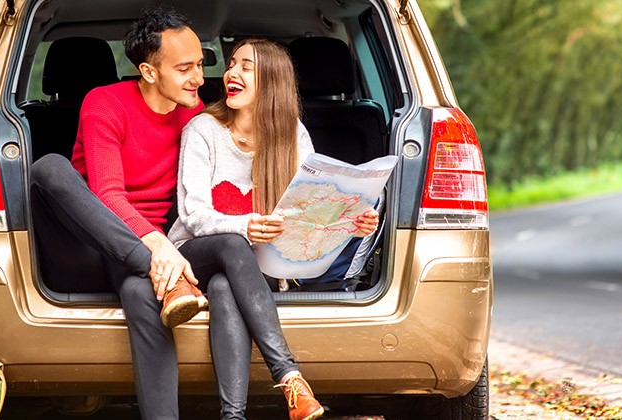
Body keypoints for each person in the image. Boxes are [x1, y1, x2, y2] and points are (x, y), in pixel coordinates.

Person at [167, 39, 380, 420]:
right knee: (232, 245)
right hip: (193, 257)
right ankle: (289, 374)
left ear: (273, 82)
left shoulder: (292, 134)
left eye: (245, 67)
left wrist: (354, 224)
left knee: (224, 286)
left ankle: (233, 415)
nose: (231, 73)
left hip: (254, 269)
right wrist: (247, 226)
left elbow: (309, 213)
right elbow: (194, 215)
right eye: (232, 65)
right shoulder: (203, 129)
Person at [27, 7, 212, 419]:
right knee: (49, 167)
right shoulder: (104, 102)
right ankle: (158, 271)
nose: (199, 78)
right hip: (88, 245)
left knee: (138, 291)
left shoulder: (197, 116)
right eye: (185, 68)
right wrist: (157, 250)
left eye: (201, 64)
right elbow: (108, 193)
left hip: (149, 262)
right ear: (148, 72)